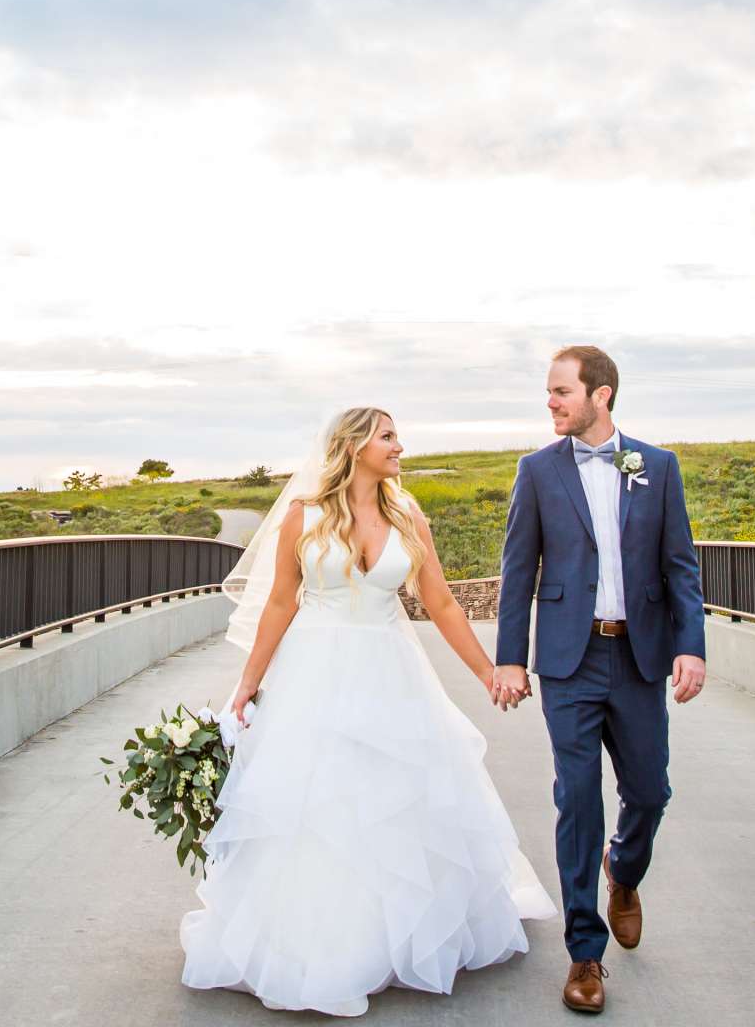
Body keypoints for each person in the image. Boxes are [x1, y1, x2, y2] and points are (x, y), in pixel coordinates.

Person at [179, 406, 555, 1016]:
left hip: (390, 674)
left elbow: (442, 603)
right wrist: (247, 684)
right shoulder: (305, 515)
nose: (399, 445)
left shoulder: (408, 515)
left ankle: (396, 936)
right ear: (354, 446)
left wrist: (488, 671)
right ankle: (316, 943)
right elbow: (280, 602)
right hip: (315, 674)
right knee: (317, 803)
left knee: (395, 799)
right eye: (388, 436)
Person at [490, 345, 707, 1015]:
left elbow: (681, 568)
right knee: (577, 797)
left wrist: (690, 647)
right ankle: (585, 954)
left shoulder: (657, 467)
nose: (551, 403)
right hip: (569, 660)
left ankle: (625, 871)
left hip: (638, 658)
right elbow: (518, 571)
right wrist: (509, 657)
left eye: (561, 392)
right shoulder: (537, 472)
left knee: (650, 790)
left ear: (600, 395)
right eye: (550, 393)